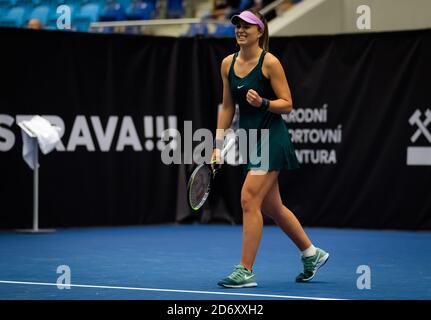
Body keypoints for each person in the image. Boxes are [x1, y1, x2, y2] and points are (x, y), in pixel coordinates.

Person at [212, 9, 329, 288]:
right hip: (249, 141)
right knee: (272, 206)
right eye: (237, 26)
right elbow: (227, 107)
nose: (241, 30)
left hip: (272, 139)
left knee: (249, 199)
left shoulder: (270, 63)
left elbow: (287, 103)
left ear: (260, 31)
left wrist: (263, 102)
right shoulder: (227, 64)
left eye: (247, 26)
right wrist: (217, 147)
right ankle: (311, 253)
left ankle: (245, 270)